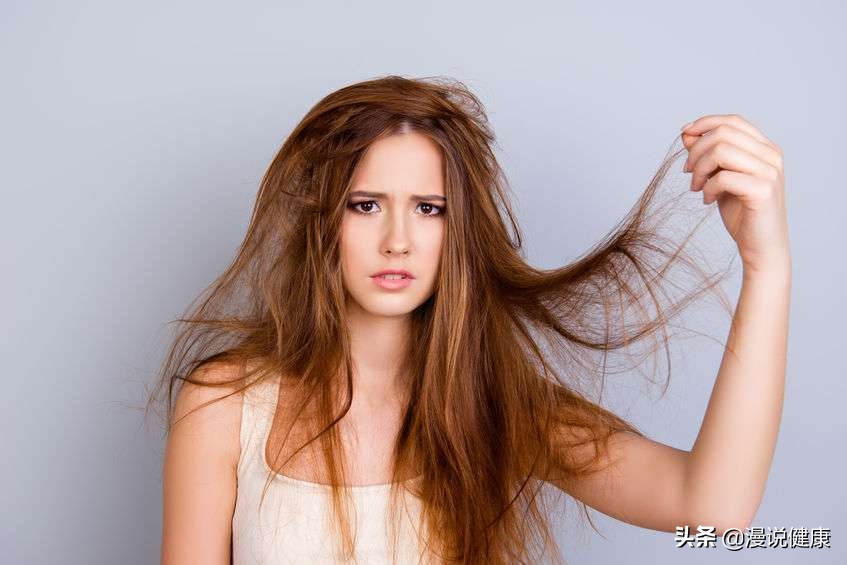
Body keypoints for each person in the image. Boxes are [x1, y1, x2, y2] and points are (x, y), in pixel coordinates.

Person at [151, 75, 791, 564]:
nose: (398, 240)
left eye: (430, 209)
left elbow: (712, 513)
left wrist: (766, 266)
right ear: (321, 217)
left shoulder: (499, 407)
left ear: (460, 231)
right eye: (366, 204)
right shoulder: (225, 406)